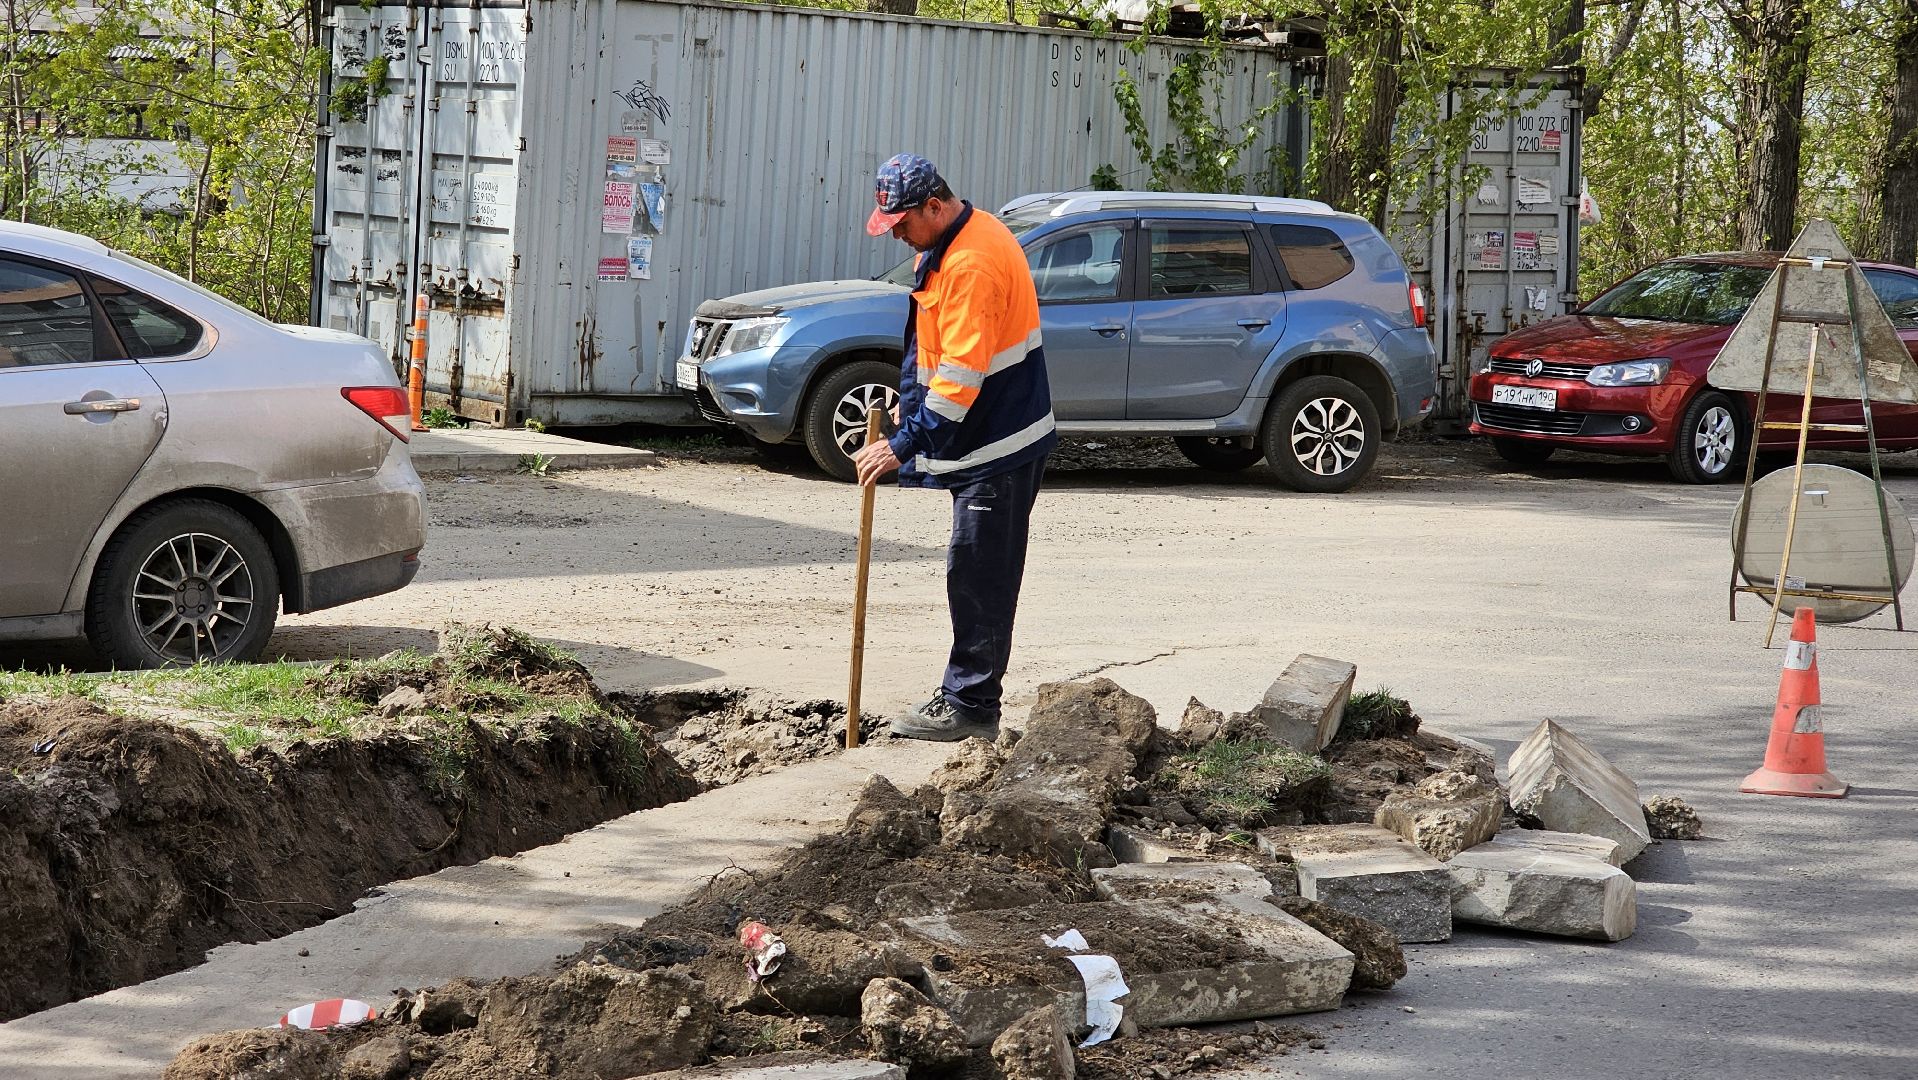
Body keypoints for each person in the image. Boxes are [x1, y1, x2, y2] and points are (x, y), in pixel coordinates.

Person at [851, 153, 1056, 742]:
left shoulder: (972, 264)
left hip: (1001, 442)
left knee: (979, 574)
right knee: (973, 569)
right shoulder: (946, 245)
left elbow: (961, 380)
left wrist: (903, 445)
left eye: (901, 223)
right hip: (988, 435)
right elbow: (934, 353)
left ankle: (971, 708)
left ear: (934, 207)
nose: (896, 234)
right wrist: (906, 407)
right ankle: (966, 698)